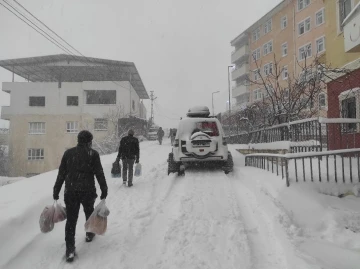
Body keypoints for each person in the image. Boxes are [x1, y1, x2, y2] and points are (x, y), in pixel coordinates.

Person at [53, 130, 108, 263]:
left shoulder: (68, 153)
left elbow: (61, 174)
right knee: (89, 212)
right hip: (87, 191)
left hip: (71, 192)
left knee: (71, 220)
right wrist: (104, 188)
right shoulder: (93, 154)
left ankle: (70, 249)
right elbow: (99, 173)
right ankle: (89, 233)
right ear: (89, 141)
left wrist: (56, 190)